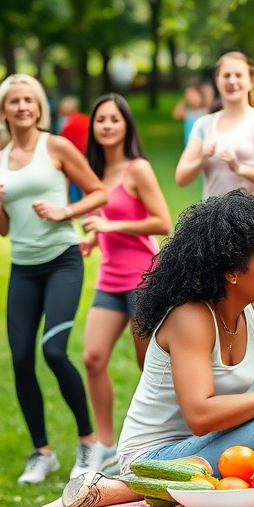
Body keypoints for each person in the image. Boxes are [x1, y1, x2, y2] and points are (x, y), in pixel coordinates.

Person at [62, 192, 254, 507]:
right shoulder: (191, 318)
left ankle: (219, 477)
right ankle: (131, 487)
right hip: (156, 459)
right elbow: (200, 416)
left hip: (214, 443)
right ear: (232, 272)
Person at [0, 74, 110, 484]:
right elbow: (2, 228)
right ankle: (42, 452)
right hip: (22, 267)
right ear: (3, 110)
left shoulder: (55, 146)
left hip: (62, 260)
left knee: (54, 351)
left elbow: (97, 192)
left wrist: (64, 213)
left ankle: (88, 441)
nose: (23, 107)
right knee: (22, 358)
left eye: (29, 100)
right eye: (14, 101)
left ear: (39, 107)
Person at [79, 94, 171, 472]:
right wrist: (93, 239)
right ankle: (104, 444)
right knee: (93, 357)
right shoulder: (94, 174)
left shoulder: (138, 169)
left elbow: (162, 221)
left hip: (141, 281)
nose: (107, 125)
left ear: (126, 125)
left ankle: (159, 441)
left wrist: (109, 226)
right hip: (108, 279)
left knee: (147, 364)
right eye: (100, 119)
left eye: (114, 119)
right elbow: (104, 221)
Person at [174, 52, 254, 201]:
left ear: (251, 81)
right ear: (217, 81)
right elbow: (181, 178)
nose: (232, 81)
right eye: (226, 76)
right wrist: (202, 158)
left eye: (238, 75)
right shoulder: (204, 124)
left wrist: (240, 169)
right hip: (213, 217)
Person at [57, 97, 90, 204]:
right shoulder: (86, 119)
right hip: (88, 155)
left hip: (73, 157)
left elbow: (62, 142)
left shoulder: (65, 123)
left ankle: (77, 205)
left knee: (74, 183)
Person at [171, 82, 208, 146]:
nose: (191, 98)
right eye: (188, 96)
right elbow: (176, 114)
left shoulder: (206, 112)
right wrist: (184, 100)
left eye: (194, 95)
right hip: (189, 146)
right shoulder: (188, 113)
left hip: (203, 147)